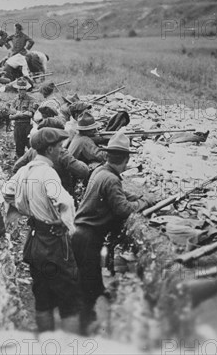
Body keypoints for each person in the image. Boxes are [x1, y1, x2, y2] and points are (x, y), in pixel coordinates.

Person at [72, 131, 158, 335]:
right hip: (88, 237)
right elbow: (123, 209)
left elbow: (120, 193)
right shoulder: (110, 179)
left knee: (90, 280)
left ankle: (91, 311)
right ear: (126, 160)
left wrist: (138, 196)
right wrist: (144, 202)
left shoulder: (101, 172)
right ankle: (85, 330)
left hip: (81, 234)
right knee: (87, 288)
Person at [3, 127, 81, 334]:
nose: (60, 151)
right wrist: (65, 224)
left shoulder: (24, 171)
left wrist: (27, 211)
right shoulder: (48, 174)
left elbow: (7, 192)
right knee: (69, 299)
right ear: (50, 149)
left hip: (34, 241)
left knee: (43, 298)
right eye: (59, 147)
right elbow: (64, 201)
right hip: (53, 244)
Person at [14, 117, 89, 197]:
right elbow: (83, 171)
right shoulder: (62, 153)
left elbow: (16, 168)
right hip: (61, 198)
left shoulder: (33, 150)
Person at [8, 77, 37, 158]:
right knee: (19, 148)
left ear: (26, 90)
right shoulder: (15, 100)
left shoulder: (31, 100)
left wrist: (16, 114)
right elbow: (10, 111)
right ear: (17, 90)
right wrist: (20, 114)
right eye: (20, 90)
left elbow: (30, 114)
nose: (22, 91)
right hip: (17, 126)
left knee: (31, 147)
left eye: (24, 90)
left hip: (27, 126)